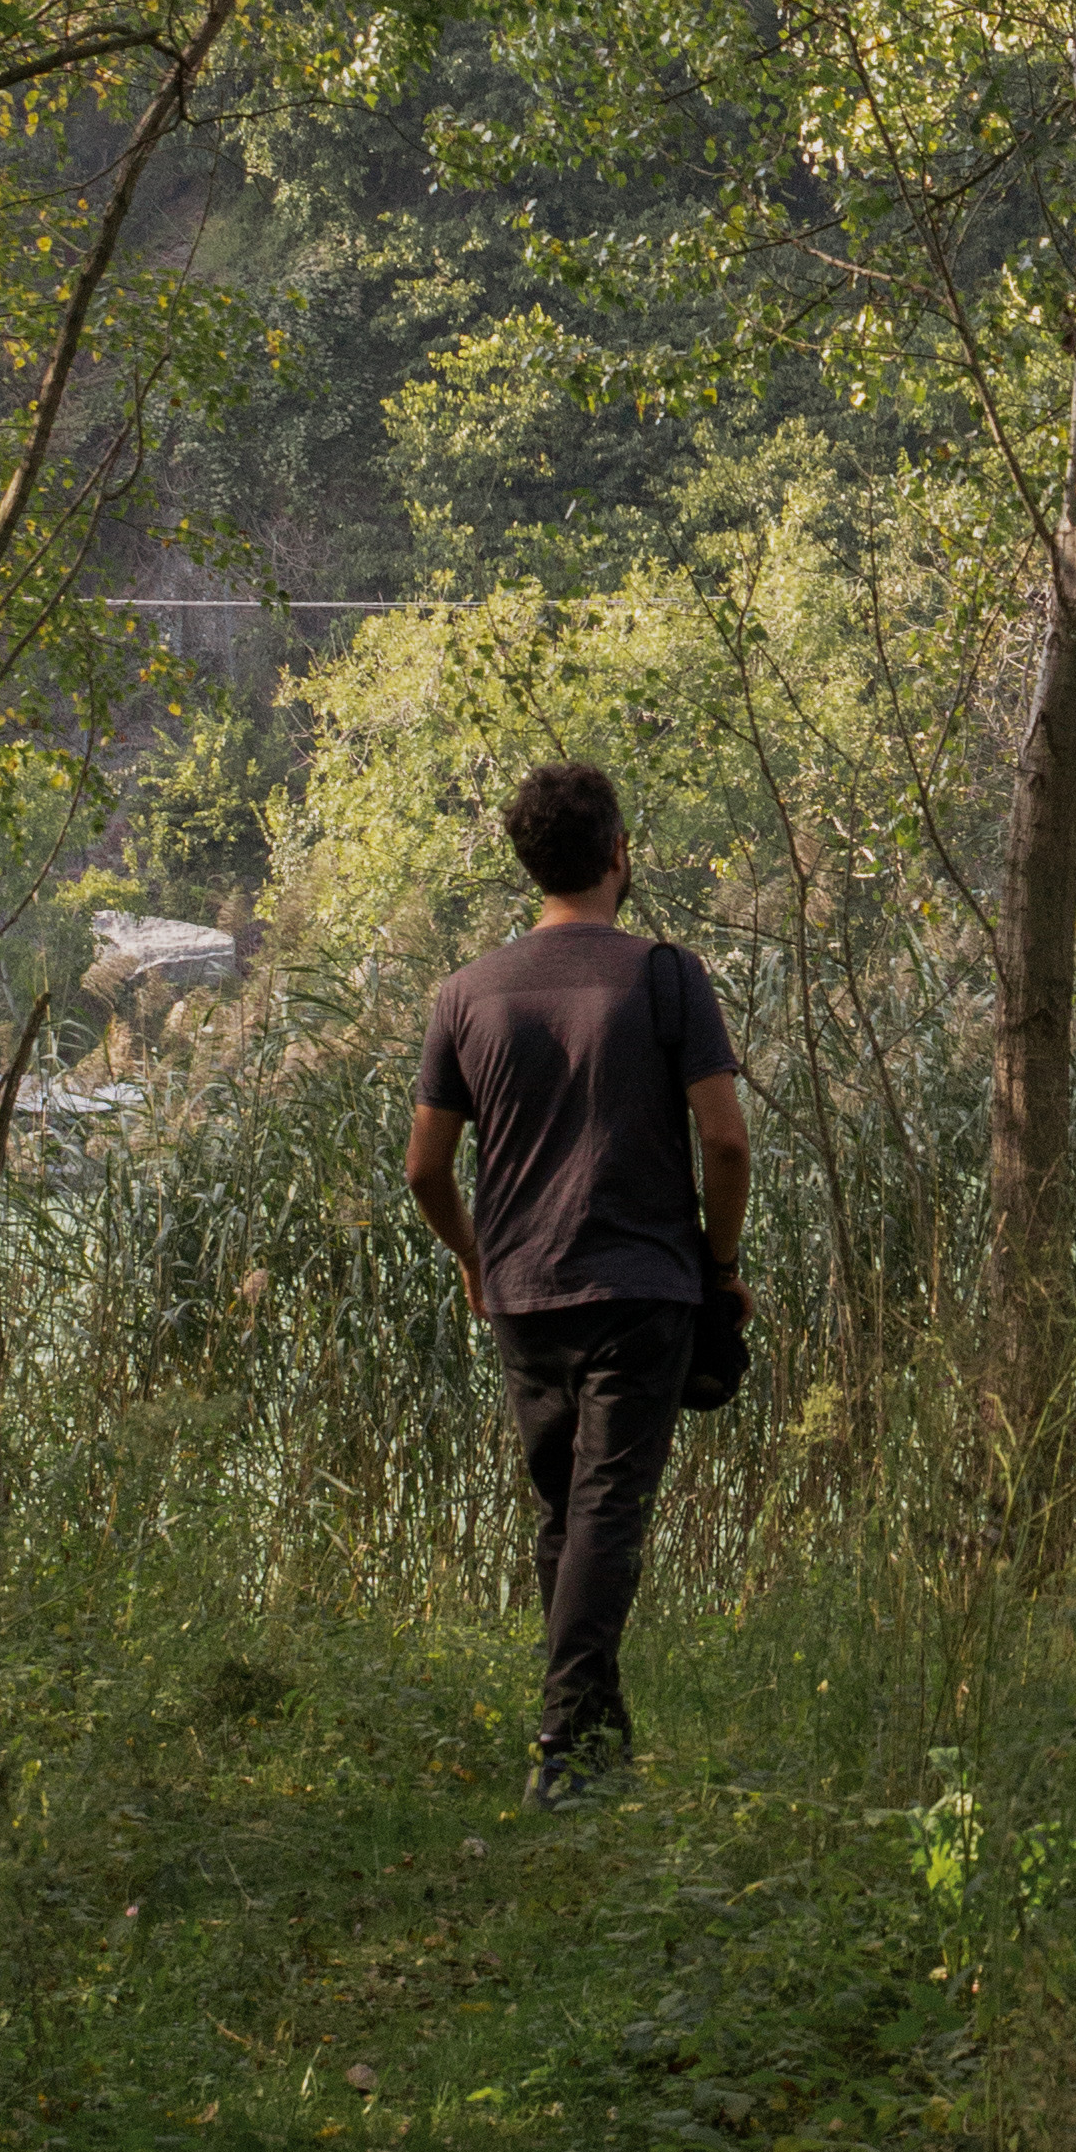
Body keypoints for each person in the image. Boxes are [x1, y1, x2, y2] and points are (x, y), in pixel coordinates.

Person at [405, 759, 751, 1810]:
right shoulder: (665, 974)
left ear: (530, 866)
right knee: (604, 1512)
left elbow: (425, 1170)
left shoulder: (464, 995)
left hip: (521, 1293)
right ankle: (562, 1746)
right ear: (618, 854)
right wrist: (721, 1266)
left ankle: (600, 1753)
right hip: (643, 1288)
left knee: (568, 1513)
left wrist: (476, 1260)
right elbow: (726, 1142)